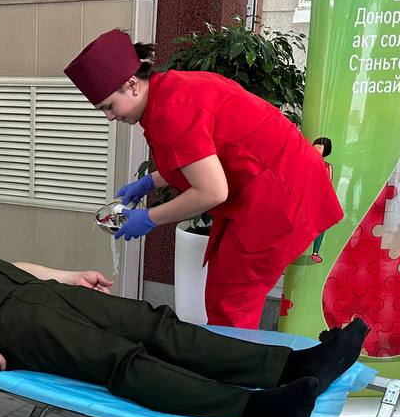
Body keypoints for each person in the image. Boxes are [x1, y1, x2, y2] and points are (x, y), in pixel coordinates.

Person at [0, 247, 367, 417]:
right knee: (120, 360)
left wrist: (66, 276)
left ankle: (291, 366)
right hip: (3, 324)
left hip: (38, 292)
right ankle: (258, 409)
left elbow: (7, 265)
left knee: (155, 323)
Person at [64, 29, 342, 328]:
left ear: (132, 84)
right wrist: (149, 182)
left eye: (108, 106)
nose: (109, 117)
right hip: (264, 188)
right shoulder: (169, 90)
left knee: (233, 301)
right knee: (224, 292)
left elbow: (211, 191)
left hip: (277, 195)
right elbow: (196, 158)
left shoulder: (171, 110)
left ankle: (233, 357)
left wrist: (150, 218)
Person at [309, 137, 334, 264]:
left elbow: (328, 185)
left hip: (319, 200)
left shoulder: (328, 167)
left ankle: (315, 252)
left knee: (321, 225)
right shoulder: (307, 163)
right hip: (306, 198)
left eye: (319, 147)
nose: (316, 149)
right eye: (315, 146)